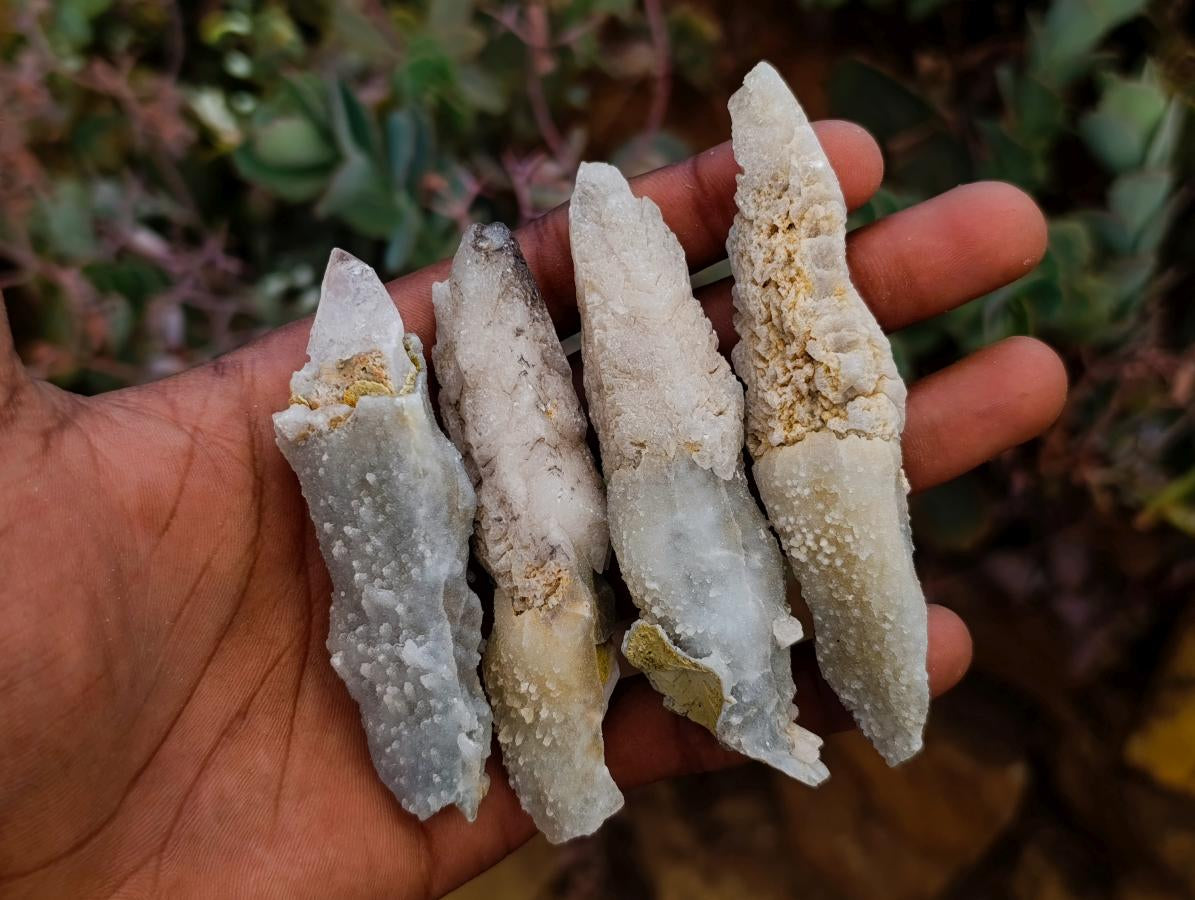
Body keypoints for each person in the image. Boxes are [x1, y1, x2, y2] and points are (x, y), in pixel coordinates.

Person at [0, 122, 1066, 897]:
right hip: (533, 576)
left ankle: (746, 704)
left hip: (657, 499)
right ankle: (703, 718)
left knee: (593, 560)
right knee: (552, 576)